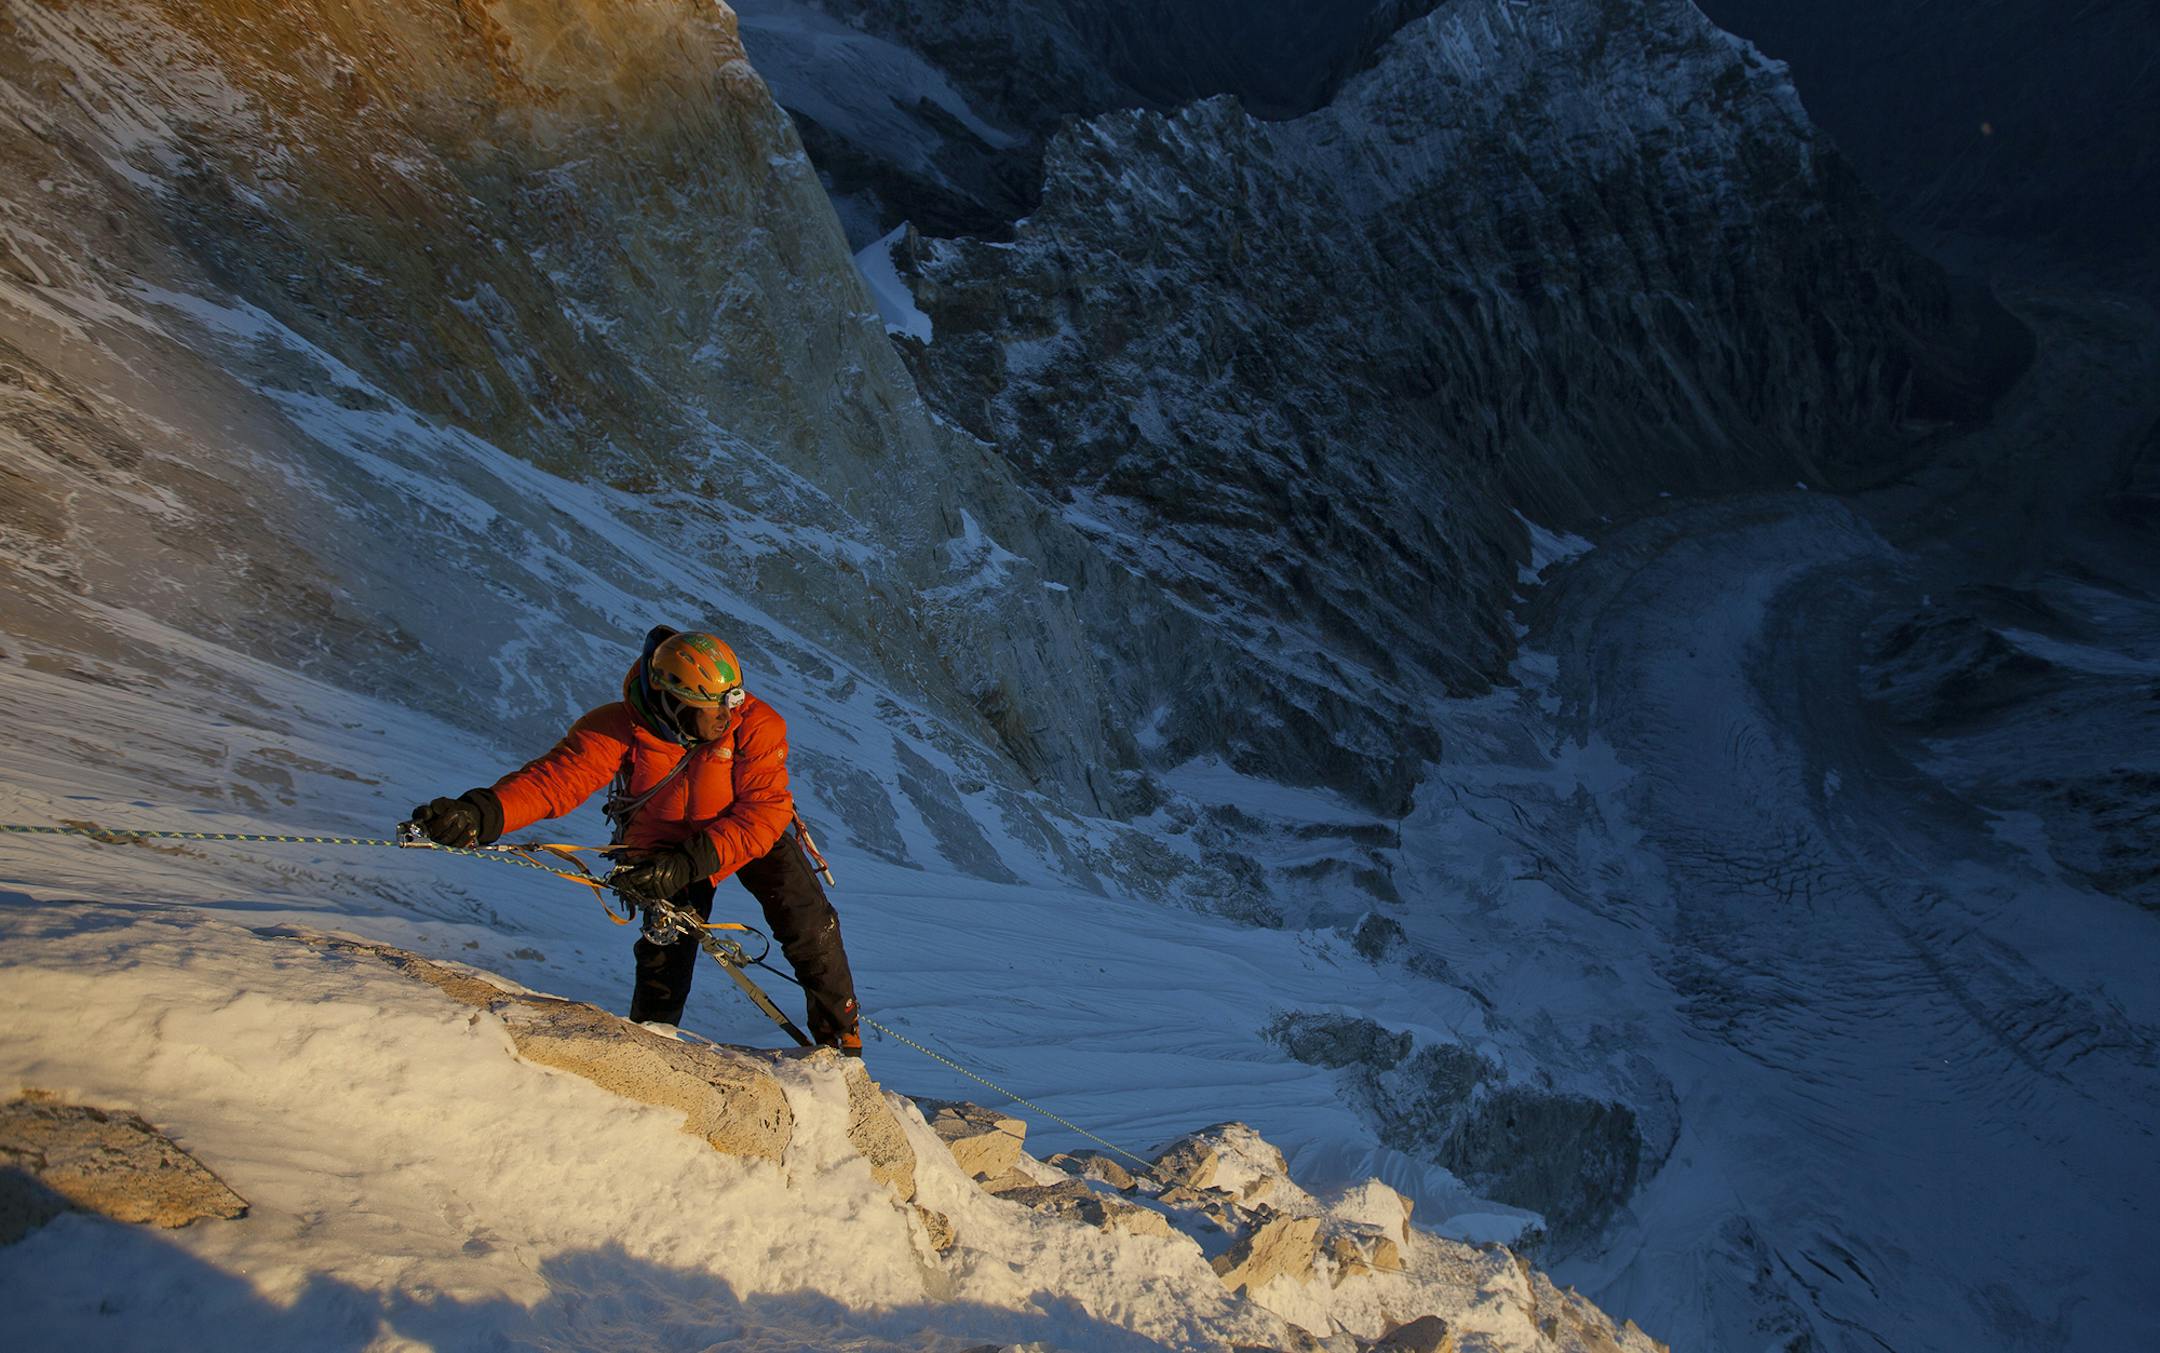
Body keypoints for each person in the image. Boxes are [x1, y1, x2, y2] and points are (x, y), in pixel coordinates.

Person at [410, 626, 862, 1054]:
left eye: (732, 700)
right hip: (662, 847)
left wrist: (691, 860)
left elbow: (765, 811)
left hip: (744, 833)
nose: (727, 716)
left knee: (809, 924)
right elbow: (554, 782)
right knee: (663, 963)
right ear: (672, 700)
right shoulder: (620, 727)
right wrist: (480, 814)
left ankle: (841, 1041)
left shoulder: (755, 724)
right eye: (713, 707)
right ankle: (652, 1047)